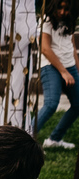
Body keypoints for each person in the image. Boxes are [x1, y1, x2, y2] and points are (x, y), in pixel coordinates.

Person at [37, 0, 79, 149]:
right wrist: (64, 72)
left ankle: (54, 139)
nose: (62, 12)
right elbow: (45, 49)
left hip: (69, 66)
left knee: (78, 104)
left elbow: (71, 46)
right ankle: (23, 139)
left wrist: (76, 68)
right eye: (59, 7)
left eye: (66, 8)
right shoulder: (46, 20)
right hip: (50, 65)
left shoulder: (69, 20)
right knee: (51, 104)